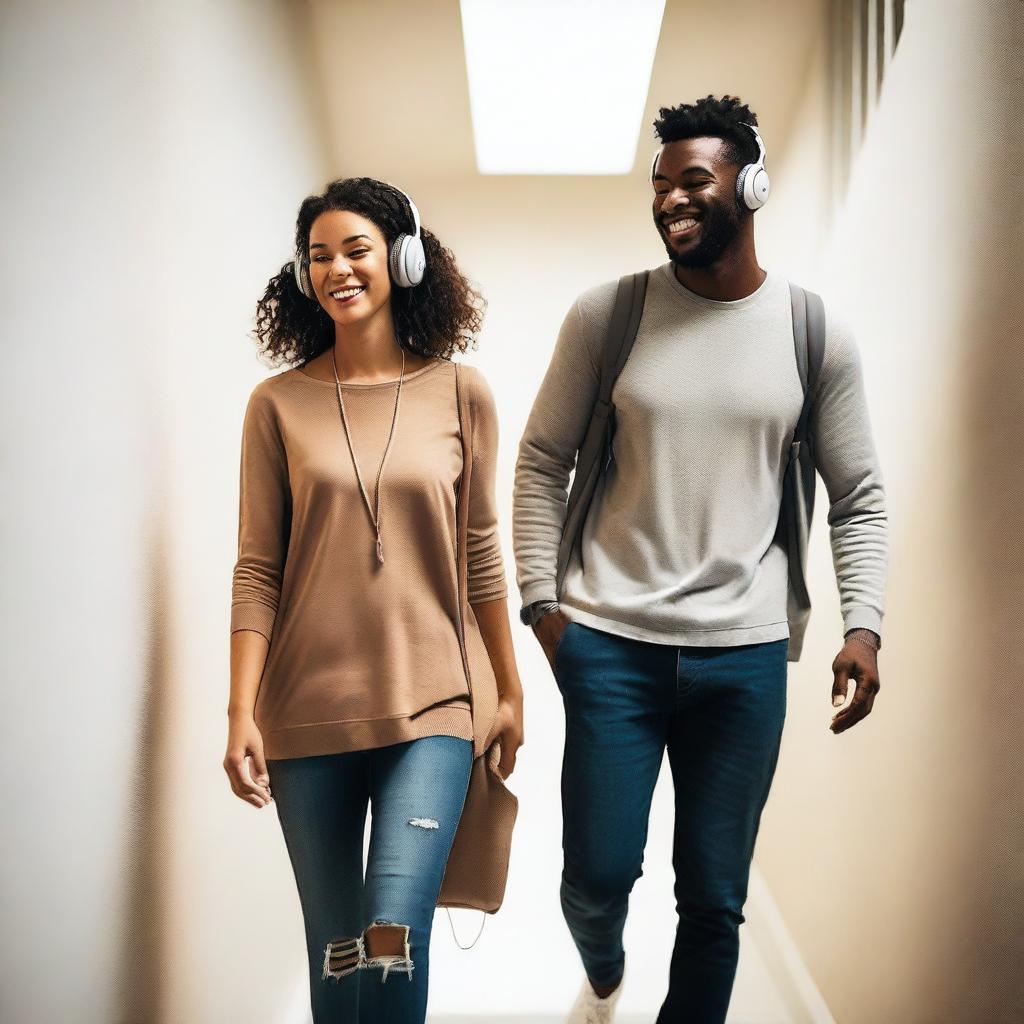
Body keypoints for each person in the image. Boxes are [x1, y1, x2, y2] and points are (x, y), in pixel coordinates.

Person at [512, 95, 888, 1024]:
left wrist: (864, 625)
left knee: (714, 900)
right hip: (609, 645)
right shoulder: (611, 314)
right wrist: (544, 611)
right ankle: (602, 967)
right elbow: (539, 463)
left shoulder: (812, 332)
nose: (672, 200)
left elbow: (860, 493)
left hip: (746, 659)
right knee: (596, 876)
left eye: (695, 180)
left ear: (750, 186)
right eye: (660, 184)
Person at [224, 177, 524, 1024]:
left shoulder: (463, 393)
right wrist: (239, 710)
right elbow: (257, 570)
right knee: (338, 946)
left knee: (392, 931)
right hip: (306, 715)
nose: (336, 270)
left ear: (403, 257)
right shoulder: (276, 406)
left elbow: (480, 555)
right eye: (319, 256)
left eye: (355, 249)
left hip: (433, 707)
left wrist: (508, 687)